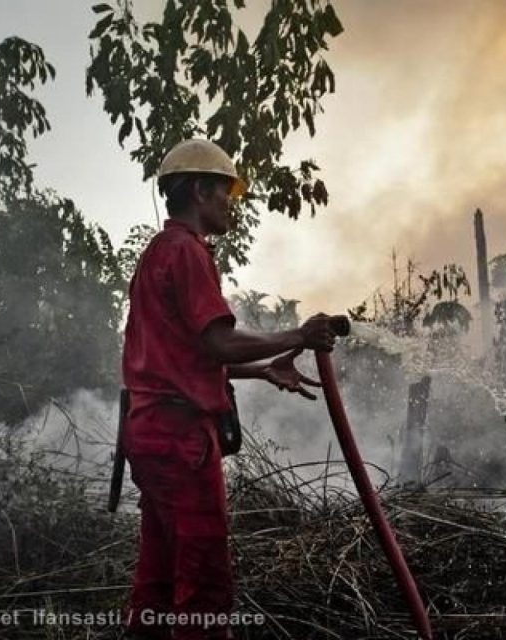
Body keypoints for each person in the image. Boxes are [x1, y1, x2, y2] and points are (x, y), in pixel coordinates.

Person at [120, 138, 337, 639]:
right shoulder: (187, 252)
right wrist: (299, 336)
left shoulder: (155, 254)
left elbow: (172, 359)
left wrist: (262, 370)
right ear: (199, 190)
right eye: (225, 192)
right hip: (180, 442)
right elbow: (217, 341)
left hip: (150, 435)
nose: (230, 203)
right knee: (204, 587)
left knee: (158, 576)